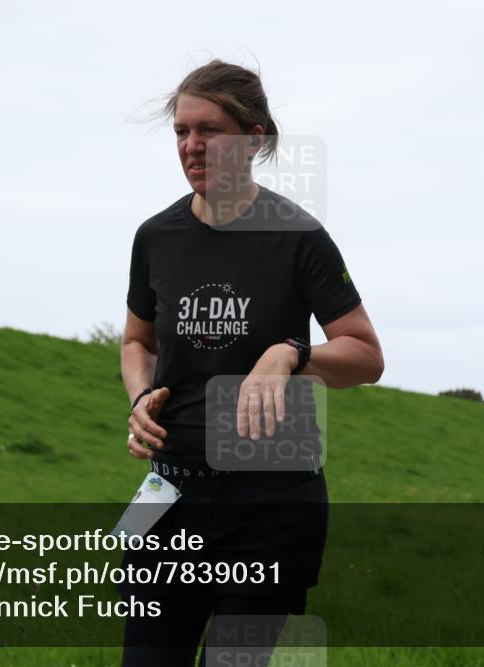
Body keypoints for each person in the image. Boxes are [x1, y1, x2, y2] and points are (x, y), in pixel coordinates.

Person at [119, 59, 384, 667]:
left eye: (208, 130)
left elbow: (365, 354)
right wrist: (139, 397)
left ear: (255, 137)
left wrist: (290, 354)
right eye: (181, 131)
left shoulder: (296, 236)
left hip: (271, 503)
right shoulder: (155, 237)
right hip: (170, 497)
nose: (191, 146)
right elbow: (138, 341)